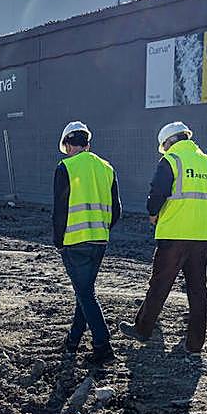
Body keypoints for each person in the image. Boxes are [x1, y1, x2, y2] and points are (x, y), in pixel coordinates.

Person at [118, 121, 207, 356]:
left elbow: (157, 194)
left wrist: (153, 214)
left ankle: (143, 329)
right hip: (202, 235)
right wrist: (206, 210)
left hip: (174, 234)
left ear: (169, 142)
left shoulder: (171, 160)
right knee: (197, 289)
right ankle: (194, 344)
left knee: (160, 284)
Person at [52, 121, 121, 364]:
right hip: (100, 241)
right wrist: (100, 229)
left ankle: (103, 346)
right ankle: (72, 341)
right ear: (88, 144)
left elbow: (60, 210)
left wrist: (58, 240)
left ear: (68, 144)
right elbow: (117, 211)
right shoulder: (107, 168)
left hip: (74, 242)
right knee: (85, 293)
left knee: (85, 294)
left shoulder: (66, 167)